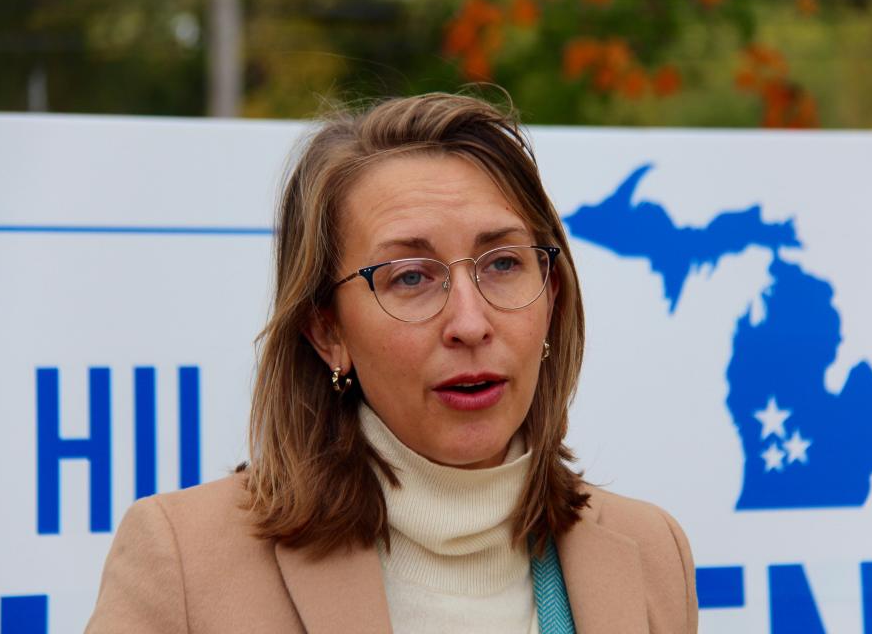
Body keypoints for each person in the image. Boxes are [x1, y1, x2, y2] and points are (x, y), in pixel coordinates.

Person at [86, 92, 698, 633]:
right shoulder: (185, 559)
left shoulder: (651, 554)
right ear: (328, 331)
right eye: (410, 277)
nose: (470, 322)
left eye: (504, 264)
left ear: (552, 293)